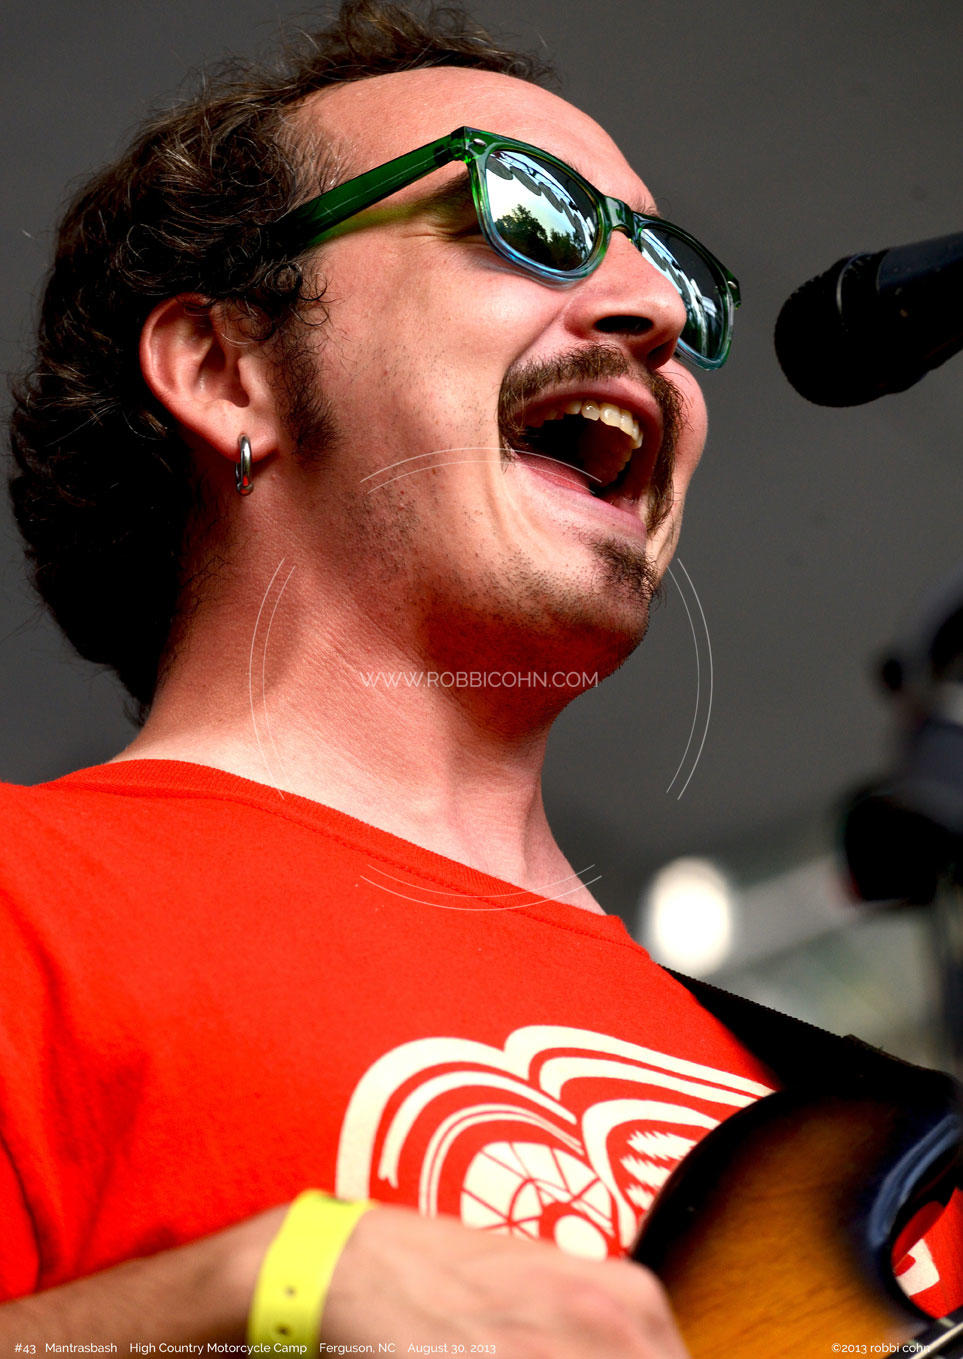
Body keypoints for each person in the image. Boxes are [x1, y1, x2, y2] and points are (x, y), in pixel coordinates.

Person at [2, 1, 958, 1353]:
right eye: (527, 217)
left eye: (673, 275)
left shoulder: (876, 1155)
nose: (652, 315)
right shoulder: (26, 902)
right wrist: (253, 1295)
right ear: (225, 370)